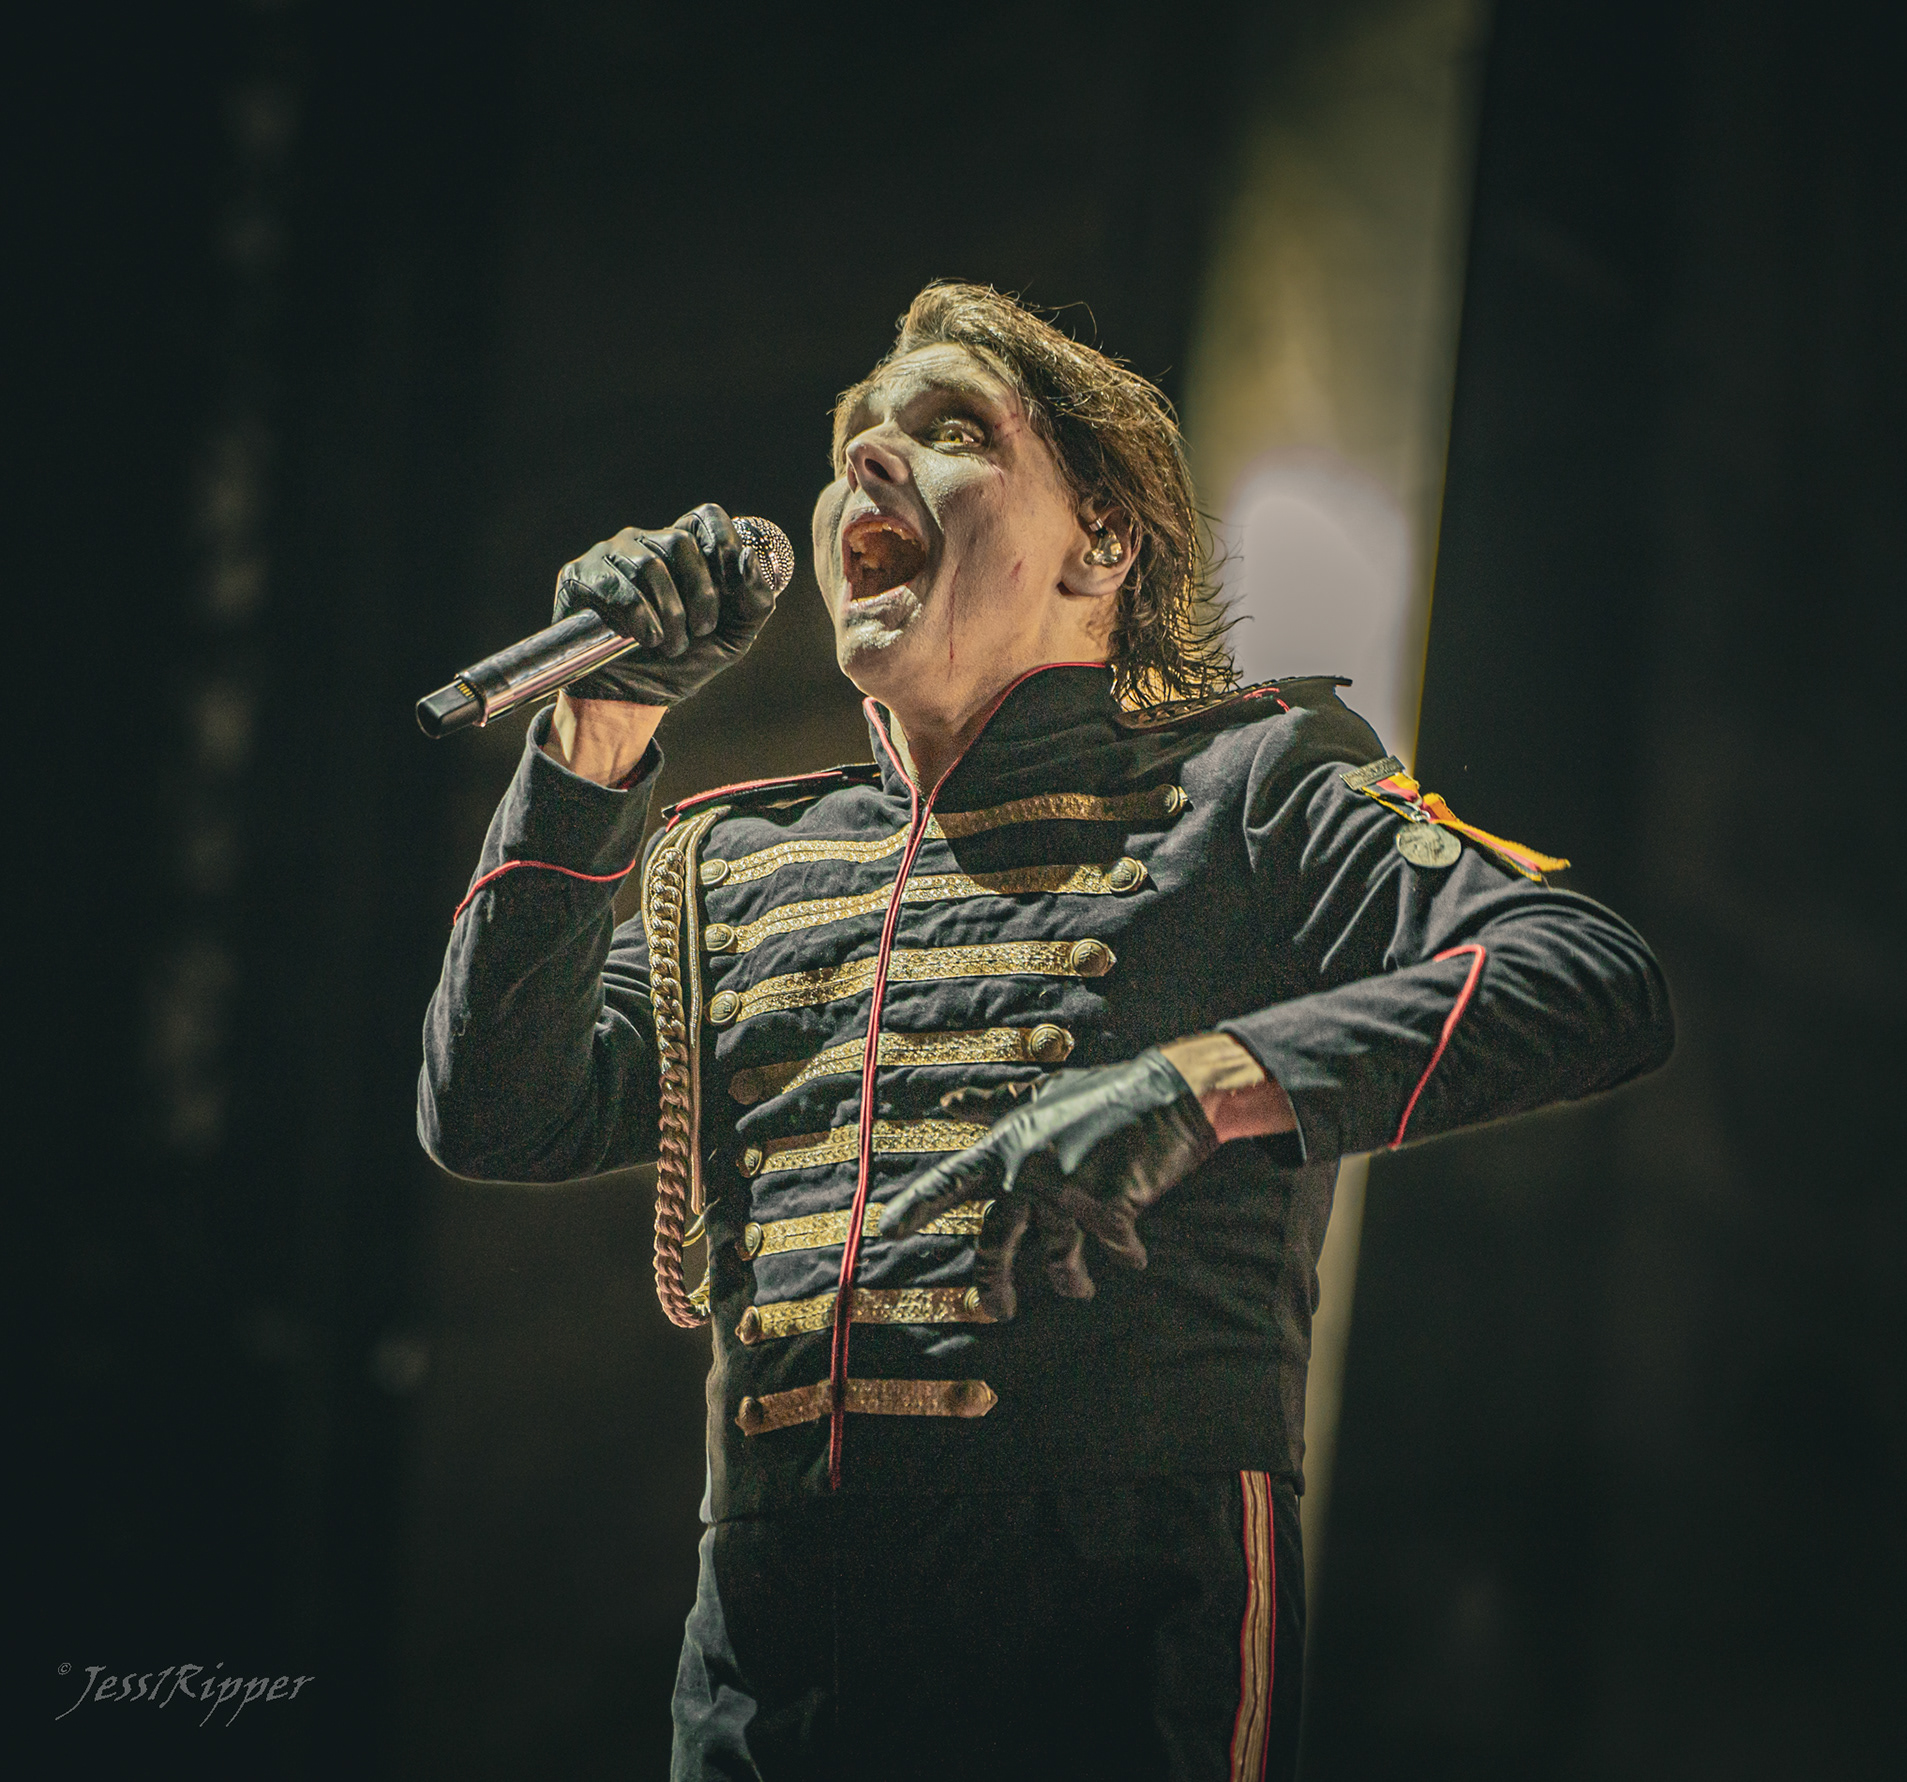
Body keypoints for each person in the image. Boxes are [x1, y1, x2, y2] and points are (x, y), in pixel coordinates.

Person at [418, 280, 1673, 1780]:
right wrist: (598, 735)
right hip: (766, 1675)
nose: (867, 458)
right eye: (853, 438)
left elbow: (1584, 971)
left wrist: (1203, 1084)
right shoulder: (739, 866)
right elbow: (495, 1110)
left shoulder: (1250, 786)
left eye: (951, 429)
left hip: (1112, 1639)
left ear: (1103, 541)